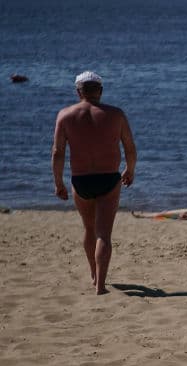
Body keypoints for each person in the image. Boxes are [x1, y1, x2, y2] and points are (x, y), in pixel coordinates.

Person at [52, 71, 136, 295]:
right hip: (109, 178)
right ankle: (100, 285)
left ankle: (93, 274)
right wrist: (130, 169)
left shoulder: (65, 115)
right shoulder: (116, 114)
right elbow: (129, 147)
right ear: (100, 91)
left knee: (89, 228)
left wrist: (58, 182)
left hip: (80, 180)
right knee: (103, 234)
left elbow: (57, 152)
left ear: (78, 91)